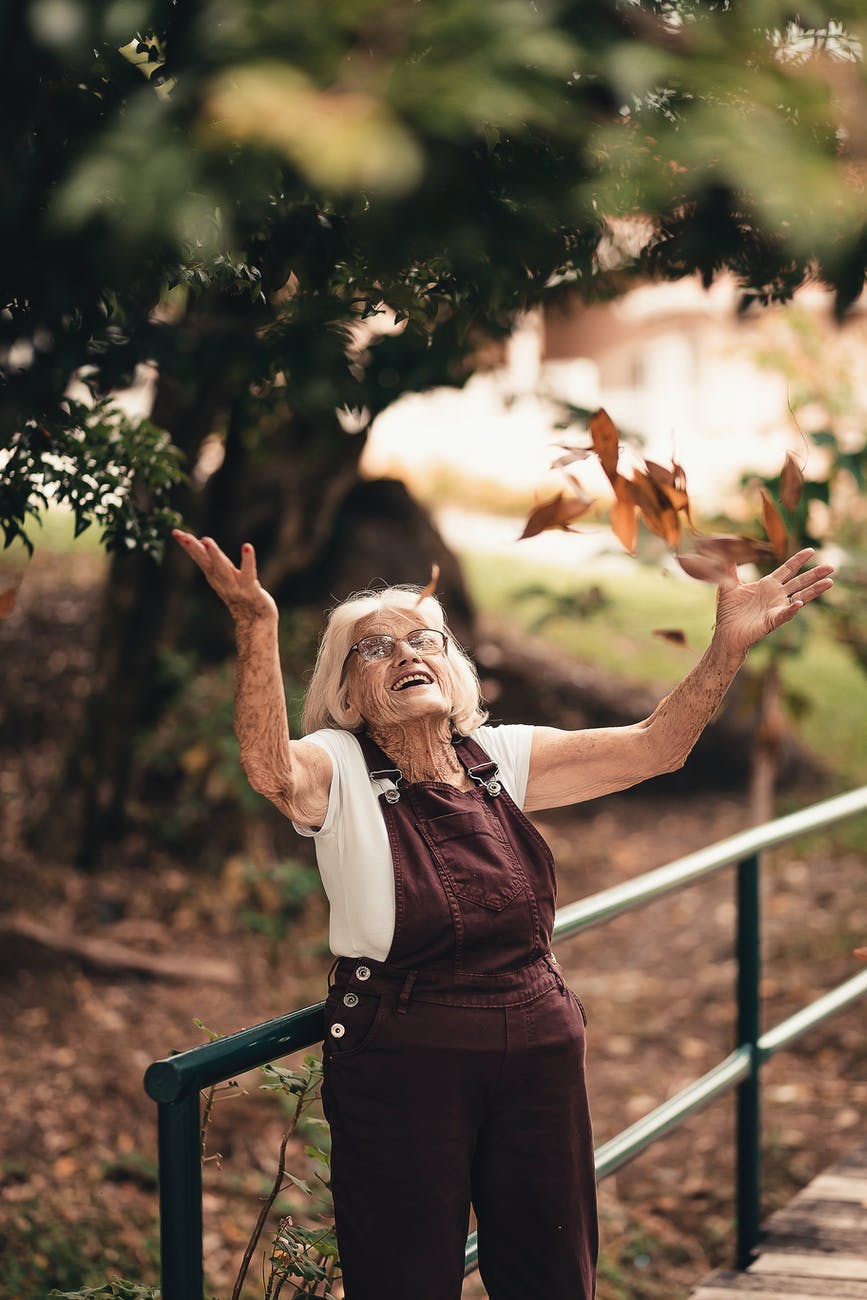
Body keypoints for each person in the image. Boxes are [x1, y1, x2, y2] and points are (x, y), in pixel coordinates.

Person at [173, 529, 833, 1300]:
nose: (406, 654)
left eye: (423, 639)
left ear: (452, 666)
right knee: (404, 1279)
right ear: (348, 695)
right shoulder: (338, 766)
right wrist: (257, 628)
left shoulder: (501, 755)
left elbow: (656, 747)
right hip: (405, 1057)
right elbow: (268, 767)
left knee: (552, 1276)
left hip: (538, 1048)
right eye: (375, 649)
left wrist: (727, 649)